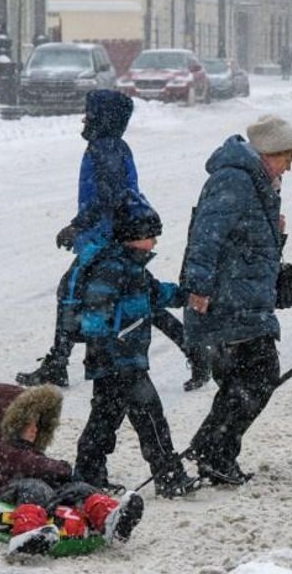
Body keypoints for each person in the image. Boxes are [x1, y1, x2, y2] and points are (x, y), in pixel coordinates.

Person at [16, 89, 210, 390]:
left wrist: (77, 226)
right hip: (114, 234)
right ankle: (195, 352)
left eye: (89, 113)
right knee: (139, 294)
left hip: (106, 238)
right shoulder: (115, 146)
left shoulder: (103, 149)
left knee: (71, 292)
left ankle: (58, 364)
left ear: (102, 118)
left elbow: (107, 197)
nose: (84, 118)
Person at [180, 114, 292, 485]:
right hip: (228, 295)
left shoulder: (257, 182)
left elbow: (242, 237)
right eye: (286, 158)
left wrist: (275, 241)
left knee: (242, 378)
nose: (289, 168)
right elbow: (207, 234)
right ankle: (214, 449)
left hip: (243, 294)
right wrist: (198, 286)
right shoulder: (235, 179)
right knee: (259, 375)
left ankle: (214, 451)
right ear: (268, 152)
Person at [72, 200, 199, 498]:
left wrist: (185, 296)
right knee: (150, 416)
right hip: (118, 359)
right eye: (150, 235)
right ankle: (169, 476)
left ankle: (88, 476)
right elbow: (95, 312)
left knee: (105, 419)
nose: (154, 242)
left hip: (121, 359)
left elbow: (156, 294)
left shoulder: (133, 268)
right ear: (132, 235)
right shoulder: (111, 268)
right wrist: (105, 344)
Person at [0, 382, 144, 556]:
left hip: (34, 488)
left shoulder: (27, 449)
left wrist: (66, 479)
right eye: (28, 423)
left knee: (78, 489)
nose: (35, 428)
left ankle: (111, 520)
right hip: (1, 490)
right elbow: (32, 465)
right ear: (13, 423)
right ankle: (26, 533)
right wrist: (61, 469)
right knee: (34, 487)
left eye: (37, 423)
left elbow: (38, 466)